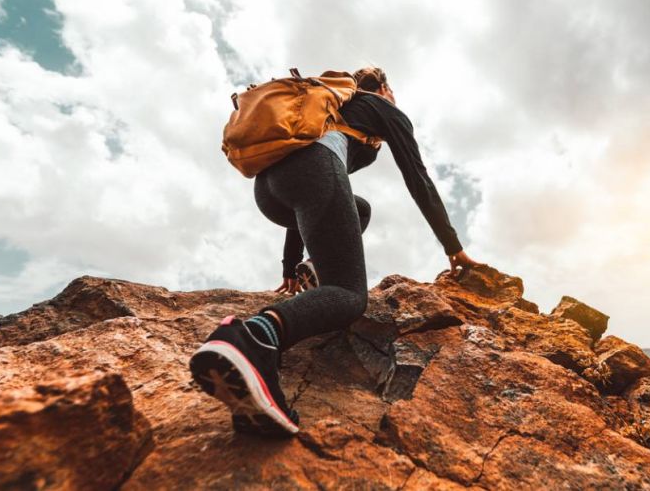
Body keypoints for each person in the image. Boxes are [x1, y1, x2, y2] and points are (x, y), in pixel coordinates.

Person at [189, 67, 481, 436]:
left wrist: (292, 265)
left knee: (359, 209)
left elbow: (306, 200)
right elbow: (417, 178)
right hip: (314, 172)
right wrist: (452, 245)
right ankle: (252, 339)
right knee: (347, 295)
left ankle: (309, 277)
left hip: (269, 188)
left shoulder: (334, 107)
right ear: (386, 88)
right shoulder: (383, 108)